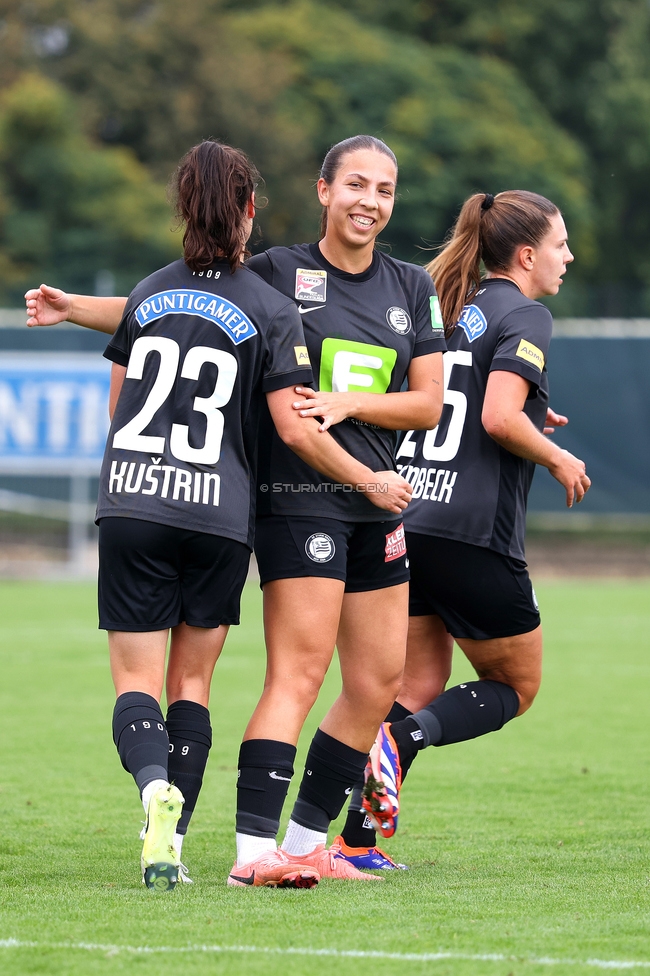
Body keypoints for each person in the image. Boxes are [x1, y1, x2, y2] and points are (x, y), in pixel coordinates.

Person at [26, 135, 446, 881]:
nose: (370, 201)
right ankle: (255, 852)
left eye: (384, 189)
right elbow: (195, 309)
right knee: (298, 675)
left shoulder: (411, 286)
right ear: (322, 190)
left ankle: (302, 842)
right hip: (295, 500)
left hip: (373, 507)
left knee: (378, 683)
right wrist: (78, 307)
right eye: (355, 184)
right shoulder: (278, 272)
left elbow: (428, 403)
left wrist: (349, 403)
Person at [338, 190, 591, 854]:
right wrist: (557, 455)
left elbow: (456, 398)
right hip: (471, 533)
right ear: (527, 255)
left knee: (417, 684)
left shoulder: (451, 307)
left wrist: (533, 414)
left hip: (409, 517)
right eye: (561, 244)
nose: (568, 256)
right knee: (514, 685)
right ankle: (400, 741)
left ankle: (356, 843)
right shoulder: (527, 313)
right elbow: (497, 418)